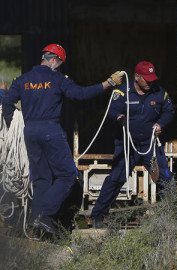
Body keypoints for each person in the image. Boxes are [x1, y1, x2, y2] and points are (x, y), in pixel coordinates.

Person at [1, 43, 124, 235]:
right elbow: (81, 94)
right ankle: (44, 216)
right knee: (67, 176)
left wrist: (13, 121)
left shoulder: (22, 80)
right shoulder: (58, 79)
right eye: (59, 64)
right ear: (53, 60)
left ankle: (36, 223)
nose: (59, 68)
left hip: (29, 131)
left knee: (41, 180)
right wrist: (108, 83)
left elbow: (7, 103)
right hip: (50, 130)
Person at [90, 61, 174, 228]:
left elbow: (168, 111)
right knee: (116, 179)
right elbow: (112, 110)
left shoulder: (159, 92)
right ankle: (98, 215)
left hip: (150, 143)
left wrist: (160, 124)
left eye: (152, 79)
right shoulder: (122, 91)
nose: (150, 82)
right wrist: (119, 117)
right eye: (147, 79)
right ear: (137, 77)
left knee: (165, 177)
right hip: (127, 144)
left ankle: (173, 214)